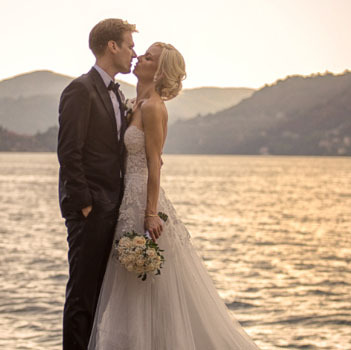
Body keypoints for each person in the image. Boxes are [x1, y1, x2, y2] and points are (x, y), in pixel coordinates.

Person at [88, 42, 260, 349]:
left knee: (149, 289)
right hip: (126, 199)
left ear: (160, 71)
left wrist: (150, 212)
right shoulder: (135, 103)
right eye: (143, 53)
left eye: (149, 57)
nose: (140, 57)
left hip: (142, 201)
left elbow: (155, 162)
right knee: (127, 291)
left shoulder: (154, 107)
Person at [56, 18, 137, 350]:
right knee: (82, 296)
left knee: (102, 297)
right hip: (91, 211)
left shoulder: (117, 93)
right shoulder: (80, 89)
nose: (134, 53)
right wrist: (85, 204)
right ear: (112, 46)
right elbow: (69, 150)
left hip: (113, 208)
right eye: (130, 45)